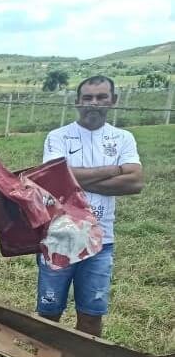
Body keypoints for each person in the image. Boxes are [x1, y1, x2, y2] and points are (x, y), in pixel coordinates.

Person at [39, 75, 144, 337]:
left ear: (113, 100)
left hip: (100, 242)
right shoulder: (58, 137)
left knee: (91, 316)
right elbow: (54, 180)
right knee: (48, 315)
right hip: (59, 238)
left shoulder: (123, 138)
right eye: (87, 97)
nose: (93, 103)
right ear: (77, 101)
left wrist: (74, 178)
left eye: (101, 97)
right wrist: (115, 170)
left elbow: (135, 183)